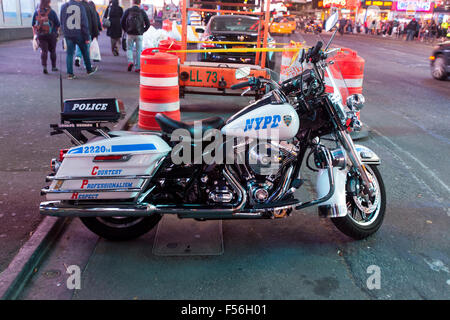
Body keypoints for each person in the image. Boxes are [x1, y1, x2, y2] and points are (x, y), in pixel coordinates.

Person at [60, 0, 98, 79]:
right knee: (85, 52)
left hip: (68, 34)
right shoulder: (81, 7)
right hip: (79, 34)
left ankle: (70, 74)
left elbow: (62, 21)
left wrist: (64, 33)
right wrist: (87, 37)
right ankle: (89, 69)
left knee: (69, 54)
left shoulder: (63, 6)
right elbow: (84, 23)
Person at [32, 0, 60, 74]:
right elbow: (58, 24)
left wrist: (35, 35)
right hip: (51, 34)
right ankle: (53, 67)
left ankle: (44, 67)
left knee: (44, 51)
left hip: (41, 35)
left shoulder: (36, 12)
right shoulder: (52, 12)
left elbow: (33, 25)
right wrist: (57, 33)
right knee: (53, 51)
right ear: (49, 3)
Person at [121, 0, 150, 72]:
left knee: (129, 48)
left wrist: (126, 30)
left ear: (132, 2)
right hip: (139, 34)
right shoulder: (142, 12)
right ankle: (137, 67)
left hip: (130, 33)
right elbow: (148, 24)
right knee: (138, 50)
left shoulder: (128, 11)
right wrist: (143, 30)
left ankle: (130, 61)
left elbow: (122, 21)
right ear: (140, 3)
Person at [74, 0, 99, 67]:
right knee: (86, 48)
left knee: (78, 45)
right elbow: (94, 20)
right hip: (88, 30)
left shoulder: (76, 6)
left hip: (77, 30)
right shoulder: (90, 7)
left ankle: (78, 58)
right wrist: (96, 33)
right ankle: (87, 64)